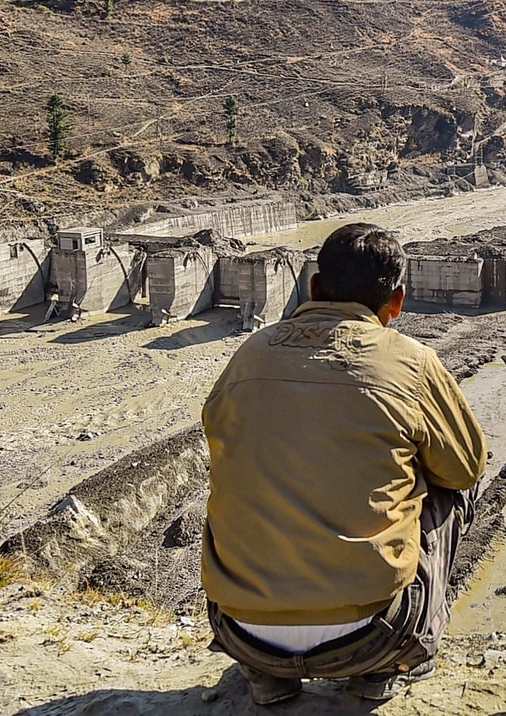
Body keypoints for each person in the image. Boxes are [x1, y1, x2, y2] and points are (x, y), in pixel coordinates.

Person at [200, 223, 487, 705]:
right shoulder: (411, 360)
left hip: (240, 631)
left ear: (315, 287)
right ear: (397, 302)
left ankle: (268, 677)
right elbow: (465, 469)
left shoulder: (248, 354)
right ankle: (385, 668)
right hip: (373, 637)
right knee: (449, 487)